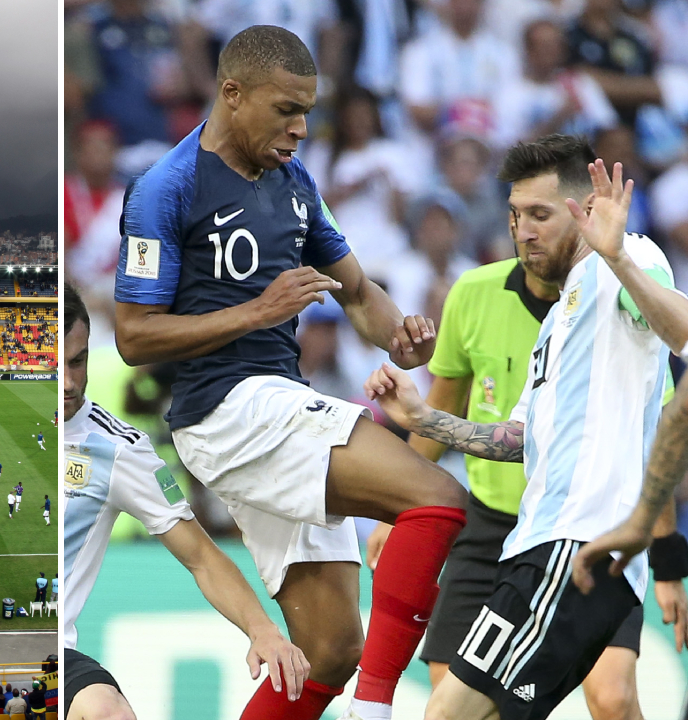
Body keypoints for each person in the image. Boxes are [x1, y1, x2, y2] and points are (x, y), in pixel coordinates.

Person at [111, 25, 470, 720]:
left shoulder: (296, 182)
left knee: (329, 648)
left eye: (308, 111)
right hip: (224, 409)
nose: (301, 129)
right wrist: (257, 312)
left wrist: (403, 340)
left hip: (275, 406)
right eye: (286, 110)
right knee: (438, 500)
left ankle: (355, 687)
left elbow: (359, 295)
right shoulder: (166, 188)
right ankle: (377, 706)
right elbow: (133, 335)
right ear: (232, 93)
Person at [365, 142, 688, 719]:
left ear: (588, 209)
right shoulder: (560, 318)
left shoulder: (627, 261)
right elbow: (517, 440)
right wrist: (422, 419)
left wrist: (617, 257)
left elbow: (682, 331)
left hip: (570, 550)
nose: (524, 231)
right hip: (539, 550)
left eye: (541, 214)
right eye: (516, 216)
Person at [63, 283, 311, 718]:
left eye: (77, 362)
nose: (68, 382)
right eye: (52, 366)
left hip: (47, 652)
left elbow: (201, 556)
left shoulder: (117, 448)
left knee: (107, 711)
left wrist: (262, 630)